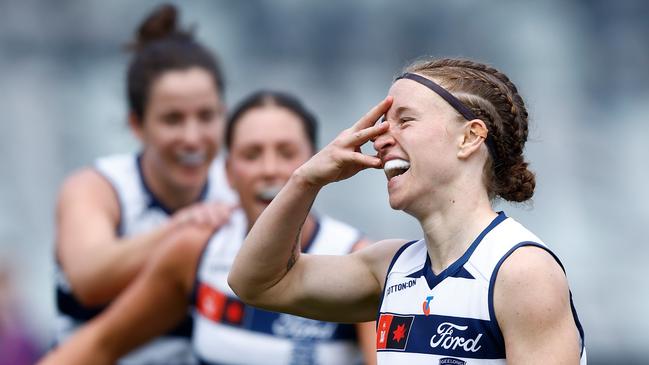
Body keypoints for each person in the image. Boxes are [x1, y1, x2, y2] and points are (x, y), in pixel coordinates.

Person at [228, 58, 587, 364]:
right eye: (383, 123)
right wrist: (305, 180)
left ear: (469, 137)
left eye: (405, 120)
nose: (377, 137)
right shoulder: (391, 268)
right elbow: (257, 283)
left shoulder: (521, 272)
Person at [39, 91, 377, 365]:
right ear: (228, 173)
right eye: (251, 154)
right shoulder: (198, 250)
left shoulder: (356, 258)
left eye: (287, 153)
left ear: (317, 162)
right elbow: (100, 345)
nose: (270, 169)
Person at [53, 4, 236, 364]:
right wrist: (182, 229)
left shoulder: (237, 185)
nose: (192, 137)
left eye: (206, 116)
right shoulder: (97, 188)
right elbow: (89, 279)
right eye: (172, 120)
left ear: (224, 115)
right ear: (137, 125)